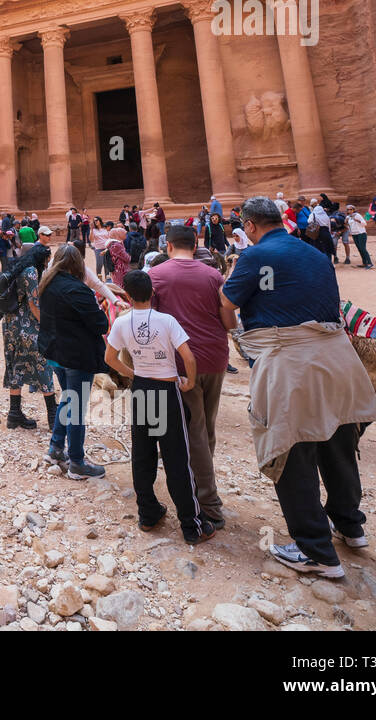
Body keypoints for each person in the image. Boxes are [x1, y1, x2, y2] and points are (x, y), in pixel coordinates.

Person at [220, 197, 376, 579]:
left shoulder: (255, 256)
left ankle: (316, 552)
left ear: (250, 225)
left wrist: (237, 330)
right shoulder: (314, 252)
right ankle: (349, 526)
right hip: (338, 357)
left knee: (292, 451)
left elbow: (225, 303)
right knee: (339, 442)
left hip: (292, 361)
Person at [105, 271, 216, 544]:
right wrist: (189, 383)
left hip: (141, 389)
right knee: (177, 457)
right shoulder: (167, 320)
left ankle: (148, 514)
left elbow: (109, 357)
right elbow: (188, 357)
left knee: (142, 455)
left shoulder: (122, 322)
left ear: (127, 297)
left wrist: (132, 373)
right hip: (167, 391)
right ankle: (192, 525)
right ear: (152, 293)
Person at [149, 225, 237, 530]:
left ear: (169, 246)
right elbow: (229, 321)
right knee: (205, 427)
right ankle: (202, 482)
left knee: (194, 431)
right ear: (196, 243)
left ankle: (209, 504)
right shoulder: (214, 276)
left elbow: (152, 323)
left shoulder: (156, 275)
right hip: (215, 357)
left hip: (181, 362)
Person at [38, 244, 110, 479]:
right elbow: (100, 324)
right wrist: (100, 307)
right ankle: (77, 463)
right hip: (76, 356)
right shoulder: (77, 290)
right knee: (76, 407)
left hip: (56, 354)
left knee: (68, 399)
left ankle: (56, 448)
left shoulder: (47, 284)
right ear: (78, 264)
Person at [0, 242, 57, 432]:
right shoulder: (31, 272)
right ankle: (53, 416)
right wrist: (47, 325)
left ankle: (14, 414)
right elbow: (33, 304)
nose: (48, 264)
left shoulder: (18, 267)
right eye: (47, 260)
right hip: (26, 326)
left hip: (10, 325)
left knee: (16, 364)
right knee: (43, 364)